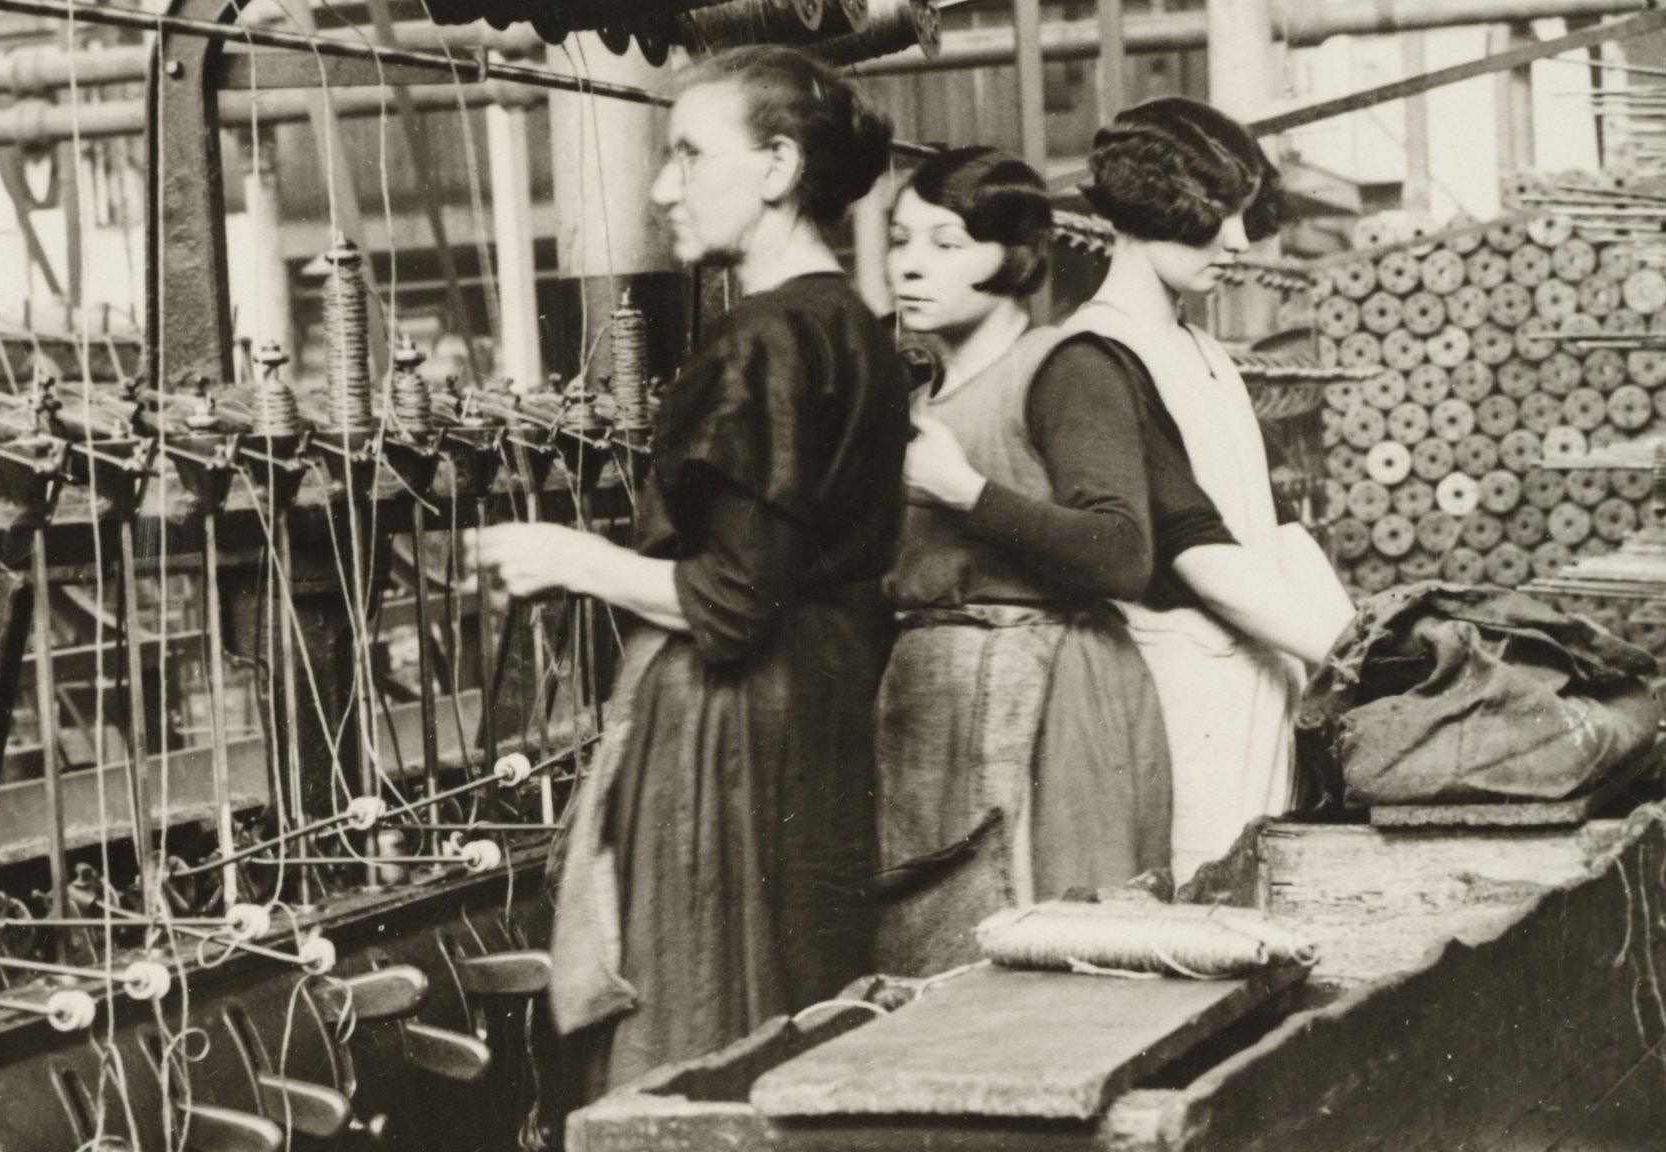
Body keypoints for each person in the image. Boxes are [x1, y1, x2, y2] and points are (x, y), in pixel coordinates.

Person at [466, 46, 907, 1093]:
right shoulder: (850, 325)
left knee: (699, 1013)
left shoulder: (762, 339)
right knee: (792, 1011)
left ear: (775, 169)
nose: (662, 187)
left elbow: (730, 599)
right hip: (819, 707)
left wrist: (569, 557)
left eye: (687, 153)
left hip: (731, 727)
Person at [867, 148, 1222, 975]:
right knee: (941, 956)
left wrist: (967, 493)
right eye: (900, 239)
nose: (911, 263)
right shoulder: (922, 403)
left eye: (946, 243)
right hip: (939, 707)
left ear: (1015, 256)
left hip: (1056, 699)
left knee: (1061, 953)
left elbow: (1124, 553)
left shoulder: (1066, 366)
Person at [1060, 97, 1355, 884]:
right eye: (1214, 215)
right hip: (1184, 701)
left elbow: (1281, 525)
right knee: (1203, 901)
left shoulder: (1205, 352)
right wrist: (1341, 655)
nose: (1237, 240)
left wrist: (1359, 644)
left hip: (1262, 682)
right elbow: (1194, 547)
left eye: (1242, 214)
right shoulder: (1096, 358)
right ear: (1151, 203)